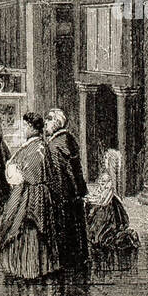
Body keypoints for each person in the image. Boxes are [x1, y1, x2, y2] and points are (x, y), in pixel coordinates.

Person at [0, 112, 61, 281]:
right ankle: (22, 267)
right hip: (27, 190)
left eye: (25, 126)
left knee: (27, 227)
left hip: (31, 193)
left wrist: (16, 174)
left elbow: (32, 174)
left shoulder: (38, 148)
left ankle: (29, 268)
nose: (23, 129)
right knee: (18, 226)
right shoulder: (33, 145)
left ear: (33, 128)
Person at [44, 109, 89, 271]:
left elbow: (58, 175)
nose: (45, 125)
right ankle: (79, 258)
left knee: (64, 227)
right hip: (75, 193)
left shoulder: (55, 145)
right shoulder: (68, 138)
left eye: (48, 121)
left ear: (56, 123)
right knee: (76, 227)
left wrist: (54, 195)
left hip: (63, 195)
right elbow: (76, 171)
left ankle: (66, 261)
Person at [84, 150, 139, 254]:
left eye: (106, 159)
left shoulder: (110, 184)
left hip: (108, 209)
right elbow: (98, 194)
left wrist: (91, 200)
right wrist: (90, 198)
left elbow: (103, 201)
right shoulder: (104, 177)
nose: (104, 161)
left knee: (101, 230)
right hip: (103, 204)